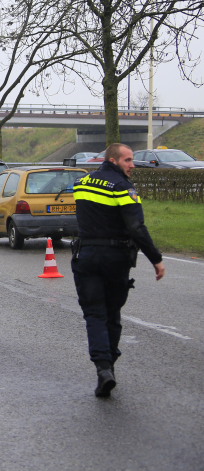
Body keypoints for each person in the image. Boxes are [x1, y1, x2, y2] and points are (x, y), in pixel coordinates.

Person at [71, 143, 165, 398]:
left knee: (94, 314)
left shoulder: (81, 184)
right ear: (113, 160)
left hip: (86, 256)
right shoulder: (123, 187)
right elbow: (136, 227)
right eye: (127, 160)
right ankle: (109, 365)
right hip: (115, 258)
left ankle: (103, 369)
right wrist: (155, 259)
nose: (132, 165)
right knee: (111, 314)